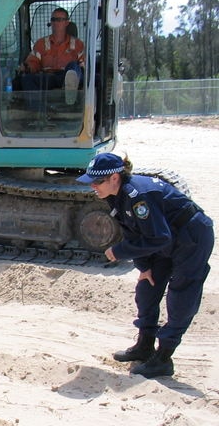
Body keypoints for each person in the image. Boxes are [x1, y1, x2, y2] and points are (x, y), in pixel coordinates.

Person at [77, 153, 213, 379]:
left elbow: (158, 238)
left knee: (181, 296)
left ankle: (163, 358)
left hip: (191, 237)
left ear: (114, 178)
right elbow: (133, 231)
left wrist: (118, 252)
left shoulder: (138, 195)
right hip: (166, 237)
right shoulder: (116, 196)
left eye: (97, 181)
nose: (92, 186)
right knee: (147, 289)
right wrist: (144, 267)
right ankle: (145, 346)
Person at [21, 7, 85, 106]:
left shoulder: (78, 44)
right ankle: (38, 112)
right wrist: (27, 67)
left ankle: (70, 93)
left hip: (66, 76)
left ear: (67, 22)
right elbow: (33, 62)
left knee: (73, 67)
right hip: (48, 77)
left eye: (59, 20)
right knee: (27, 79)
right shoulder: (41, 43)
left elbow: (84, 65)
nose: (55, 23)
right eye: (53, 20)